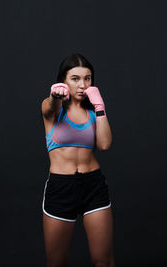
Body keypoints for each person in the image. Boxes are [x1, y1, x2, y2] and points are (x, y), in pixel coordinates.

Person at [40, 53, 115, 267]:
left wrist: (100, 108)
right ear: (63, 80)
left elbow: (104, 144)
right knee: (57, 262)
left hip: (93, 186)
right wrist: (55, 97)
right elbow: (48, 107)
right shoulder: (54, 111)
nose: (82, 85)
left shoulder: (92, 112)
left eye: (87, 78)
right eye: (75, 78)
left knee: (104, 261)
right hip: (61, 187)